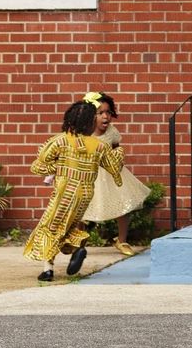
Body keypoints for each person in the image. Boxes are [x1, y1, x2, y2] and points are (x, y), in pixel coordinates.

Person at [23, 94, 124, 282]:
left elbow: (38, 166)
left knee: (51, 226)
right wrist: (119, 151)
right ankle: (78, 247)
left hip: (64, 193)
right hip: (85, 194)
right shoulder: (98, 145)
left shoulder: (61, 140)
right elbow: (114, 168)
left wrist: (59, 167)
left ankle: (48, 269)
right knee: (74, 223)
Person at [82, 93, 154, 256]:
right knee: (83, 209)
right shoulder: (83, 133)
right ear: (89, 115)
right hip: (90, 176)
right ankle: (79, 243)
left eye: (108, 112)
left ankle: (121, 240)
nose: (106, 116)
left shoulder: (112, 132)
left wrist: (118, 159)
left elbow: (116, 148)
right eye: (100, 113)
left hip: (112, 174)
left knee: (123, 204)